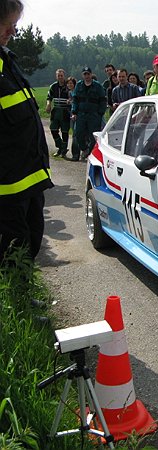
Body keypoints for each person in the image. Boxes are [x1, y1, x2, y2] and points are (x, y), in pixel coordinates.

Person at [0, 0, 53, 268]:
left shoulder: (7, 62)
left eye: (14, 24)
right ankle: (15, 294)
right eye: (7, 24)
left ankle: (22, 290)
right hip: (7, 189)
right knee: (12, 253)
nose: (12, 31)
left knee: (29, 245)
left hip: (29, 180)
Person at [71, 66, 107, 161]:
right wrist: (74, 112)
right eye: (85, 74)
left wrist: (100, 113)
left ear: (91, 74)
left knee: (93, 136)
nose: (86, 76)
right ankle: (84, 149)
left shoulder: (97, 86)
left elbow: (103, 100)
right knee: (79, 134)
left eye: (88, 74)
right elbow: (75, 100)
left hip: (94, 115)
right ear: (82, 75)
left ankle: (91, 154)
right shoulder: (79, 85)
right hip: (81, 114)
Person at [45, 68, 71, 157]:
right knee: (53, 129)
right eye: (58, 76)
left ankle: (63, 150)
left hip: (65, 111)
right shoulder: (53, 86)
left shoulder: (68, 85)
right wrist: (48, 104)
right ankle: (60, 147)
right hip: (56, 111)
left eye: (61, 76)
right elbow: (49, 97)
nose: (60, 77)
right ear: (56, 77)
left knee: (65, 131)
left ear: (64, 76)